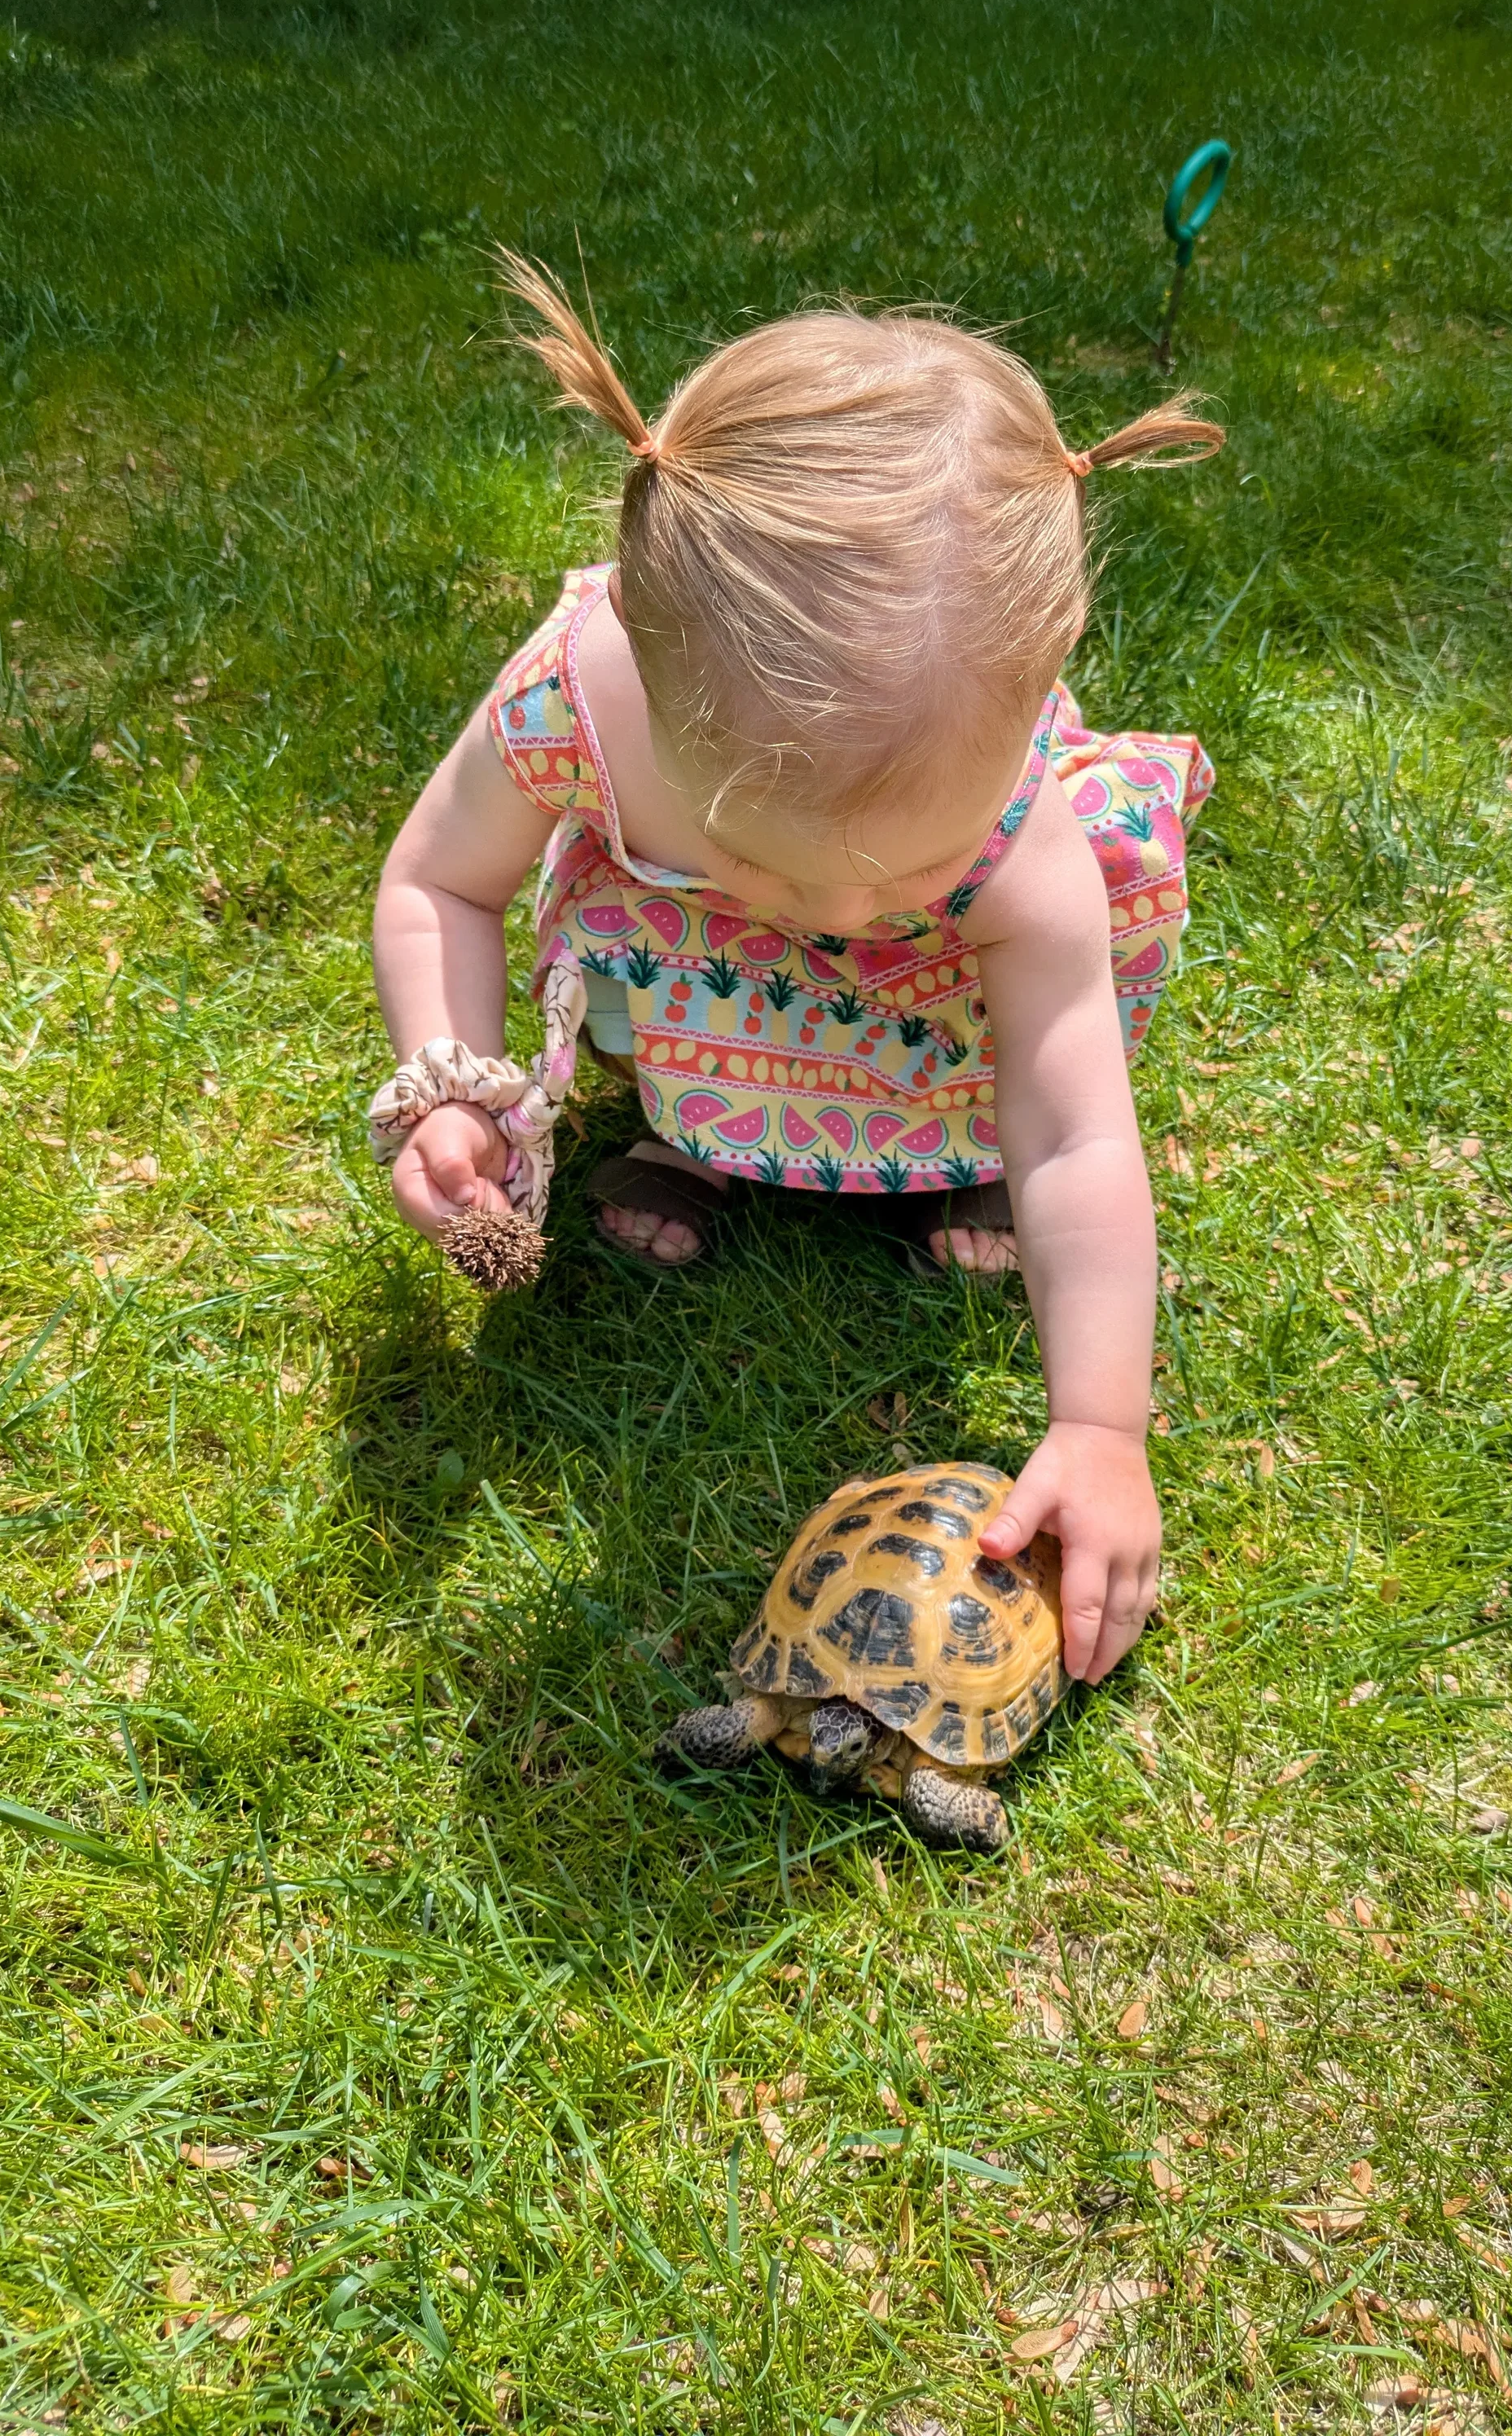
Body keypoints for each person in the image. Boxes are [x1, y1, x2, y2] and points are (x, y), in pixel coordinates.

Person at [371, 254, 1221, 1686]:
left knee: (1021, 1079)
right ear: (645, 649)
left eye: (896, 875)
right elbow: (437, 881)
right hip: (704, 1015)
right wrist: (448, 1079)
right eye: (761, 859)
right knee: (716, 963)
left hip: (938, 1037)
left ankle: (953, 1162)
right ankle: (694, 1135)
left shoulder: (1019, 835)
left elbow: (1079, 1126)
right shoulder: (571, 694)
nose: (832, 912)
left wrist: (1099, 1427)